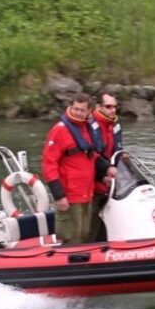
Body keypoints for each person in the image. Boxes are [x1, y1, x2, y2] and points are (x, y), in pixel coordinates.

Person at [41, 93, 102, 245]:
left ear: (89, 112)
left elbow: (91, 156)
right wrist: (59, 195)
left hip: (86, 194)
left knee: (84, 234)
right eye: (75, 109)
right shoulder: (60, 130)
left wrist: (106, 170)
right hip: (69, 196)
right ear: (70, 107)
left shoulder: (87, 129)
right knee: (71, 238)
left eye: (82, 110)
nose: (78, 113)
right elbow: (49, 164)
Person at [89, 88, 123, 241]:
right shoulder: (90, 125)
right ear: (99, 107)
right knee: (92, 227)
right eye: (108, 107)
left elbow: (117, 152)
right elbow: (90, 156)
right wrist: (105, 173)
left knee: (107, 228)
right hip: (93, 184)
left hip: (109, 184)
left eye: (114, 106)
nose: (113, 110)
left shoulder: (115, 126)